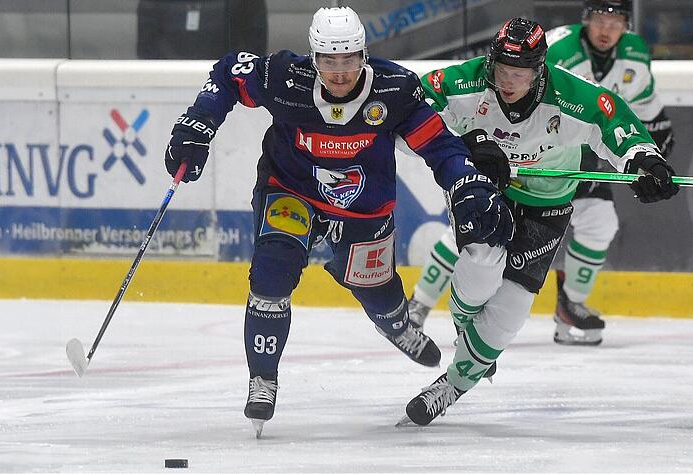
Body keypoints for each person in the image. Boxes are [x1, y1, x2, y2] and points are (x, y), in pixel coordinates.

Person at [163, 6, 513, 437]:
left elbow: (438, 145)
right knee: (271, 274)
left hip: (364, 208)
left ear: (364, 54)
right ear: (314, 58)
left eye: (349, 59)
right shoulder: (285, 78)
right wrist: (198, 123)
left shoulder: (395, 88)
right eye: (330, 60)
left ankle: (397, 324)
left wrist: (466, 183)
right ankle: (263, 378)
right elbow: (228, 74)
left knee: (378, 293)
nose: (340, 71)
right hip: (291, 190)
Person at [398, 17, 678, 426]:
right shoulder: (463, 82)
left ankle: (453, 385)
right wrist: (465, 145)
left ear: (540, 69)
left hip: (548, 199)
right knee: (481, 265)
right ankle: (464, 326)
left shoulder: (569, 96)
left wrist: (643, 159)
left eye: (520, 73)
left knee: (511, 309)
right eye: (502, 70)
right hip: (485, 188)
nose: (508, 81)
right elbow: (407, 116)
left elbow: (612, 118)